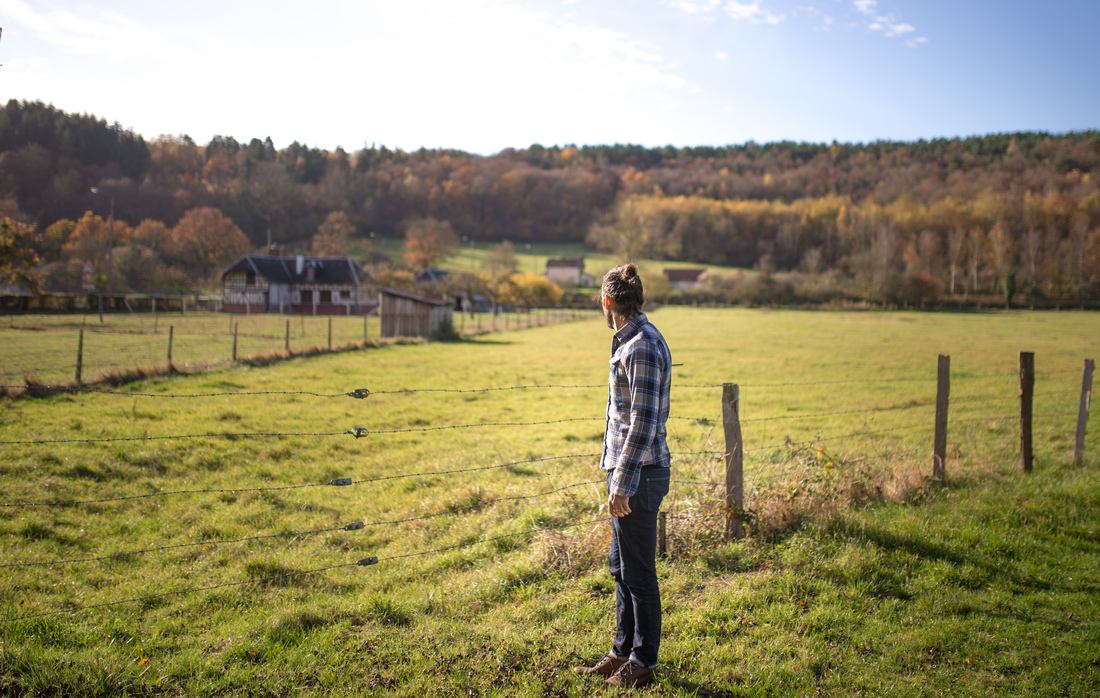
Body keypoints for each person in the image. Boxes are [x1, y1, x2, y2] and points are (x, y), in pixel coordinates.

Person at [573, 263, 672, 689]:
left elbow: (642, 424)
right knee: (621, 567)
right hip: (631, 473)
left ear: (608, 301)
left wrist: (620, 485)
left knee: (639, 573)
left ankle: (643, 661)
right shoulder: (630, 342)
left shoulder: (641, 347)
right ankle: (621, 651)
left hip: (640, 476)